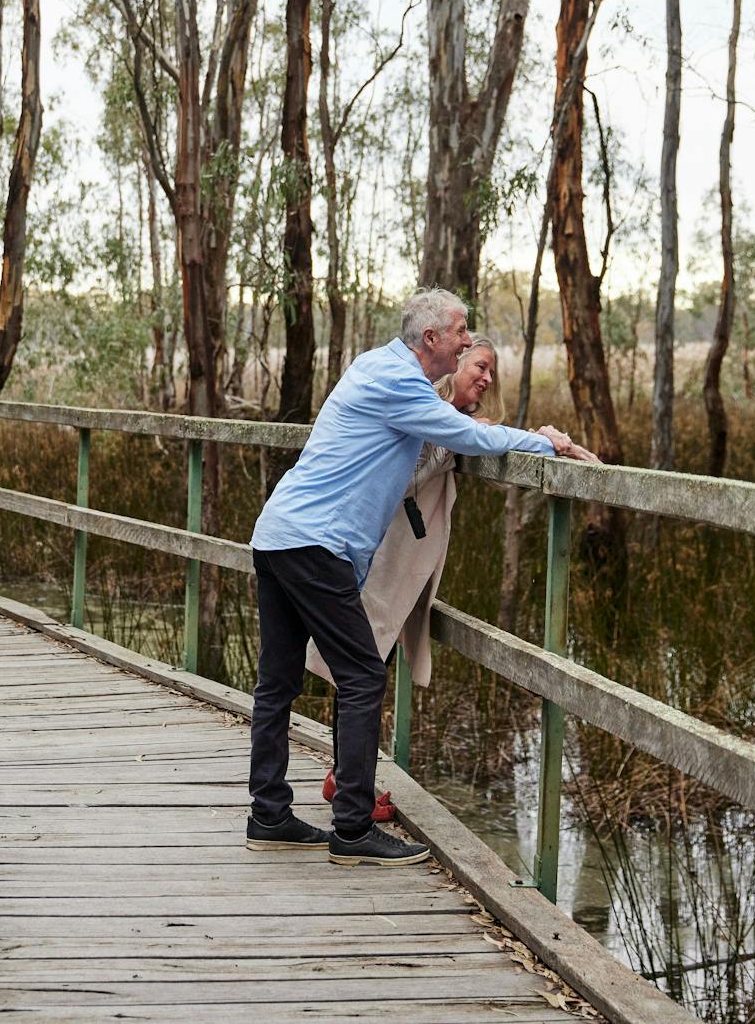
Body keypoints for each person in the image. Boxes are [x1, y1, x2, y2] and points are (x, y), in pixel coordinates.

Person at [244, 289, 595, 866]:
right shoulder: (398, 381)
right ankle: (353, 829)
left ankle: (269, 814)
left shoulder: (375, 366)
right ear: (430, 339)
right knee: (361, 677)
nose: (466, 338)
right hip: (315, 544)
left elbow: (443, 431)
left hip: (280, 534)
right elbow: (468, 436)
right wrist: (543, 441)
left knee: (278, 681)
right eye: (461, 331)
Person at [306, 340, 600, 823]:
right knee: (362, 664)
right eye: (480, 366)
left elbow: (483, 439)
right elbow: (437, 452)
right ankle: (347, 783)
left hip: (390, 555)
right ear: (453, 364)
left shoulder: (452, 421)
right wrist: (539, 438)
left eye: (491, 372)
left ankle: (348, 775)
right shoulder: (424, 412)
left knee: (364, 663)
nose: (487, 378)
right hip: (375, 550)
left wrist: (542, 436)